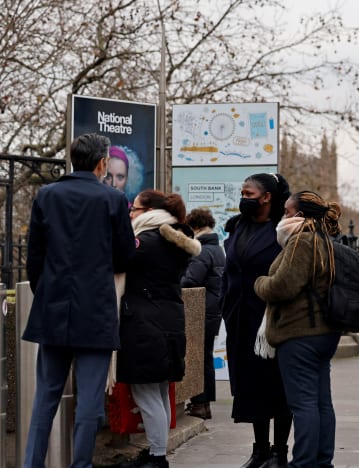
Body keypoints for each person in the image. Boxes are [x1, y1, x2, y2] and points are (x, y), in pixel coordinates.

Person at [22, 133, 136, 468]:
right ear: (102, 163)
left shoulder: (47, 195)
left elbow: (34, 258)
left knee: (45, 397)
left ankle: (32, 464)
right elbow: (126, 257)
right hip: (96, 310)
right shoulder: (113, 200)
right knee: (89, 403)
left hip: (53, 308)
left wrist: (49, 290)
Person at [254, 190, 344, 468]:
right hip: (323, 332)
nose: (282, 217)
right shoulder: (324, 242)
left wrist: (259, 283)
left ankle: (303, 462)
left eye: (286, 212)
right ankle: (321, 461)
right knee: (320, 402)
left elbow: (283, 286)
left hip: (299, 333)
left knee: (303, 403)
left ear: (300, 216)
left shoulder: (301, 242)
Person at [117, 189, 200, 468]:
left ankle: (157, 457)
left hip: (144, 325)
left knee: (147, 393)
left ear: (148, 212)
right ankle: (157, 450)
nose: (130, 213)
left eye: (134, 209)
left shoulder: (146, 241)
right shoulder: (174, 241)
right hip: (168, 321)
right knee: (160, 391)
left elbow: (117, 261)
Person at [221, 173, 293, 468]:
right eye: (242, 192)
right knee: (250, 387)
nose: (243, 198)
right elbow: (230, 272)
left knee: (276, 386)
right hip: (240, 320)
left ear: (267, 197)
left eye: (249, 193)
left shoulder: (282, 231)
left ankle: (279, 453)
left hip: (270, 321)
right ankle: (260, 450)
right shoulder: (238, 227)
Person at [181, 208, 226, 420]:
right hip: (213, 310)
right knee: (206, 357)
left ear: (195, 227)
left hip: (201, 311)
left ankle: (199, 402)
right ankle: (205, 403)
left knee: (196, 358)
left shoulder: (202, 250)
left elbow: (191, 280)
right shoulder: (216, 248)